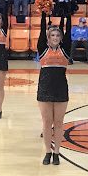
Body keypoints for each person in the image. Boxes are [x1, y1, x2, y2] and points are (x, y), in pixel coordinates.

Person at [37, 11, 72, 165]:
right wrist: (44, 14)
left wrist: (68, 14)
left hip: (61, 88)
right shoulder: (42, 49)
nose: (55, 38)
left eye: (58, 36)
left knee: (58, 123)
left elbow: (69, 33)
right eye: (52, 36)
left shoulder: (65, 50)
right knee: (46, 122)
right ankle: (47, 152)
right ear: (48, 38)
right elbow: (41, 33)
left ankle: (57, 152)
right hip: (44, 88)